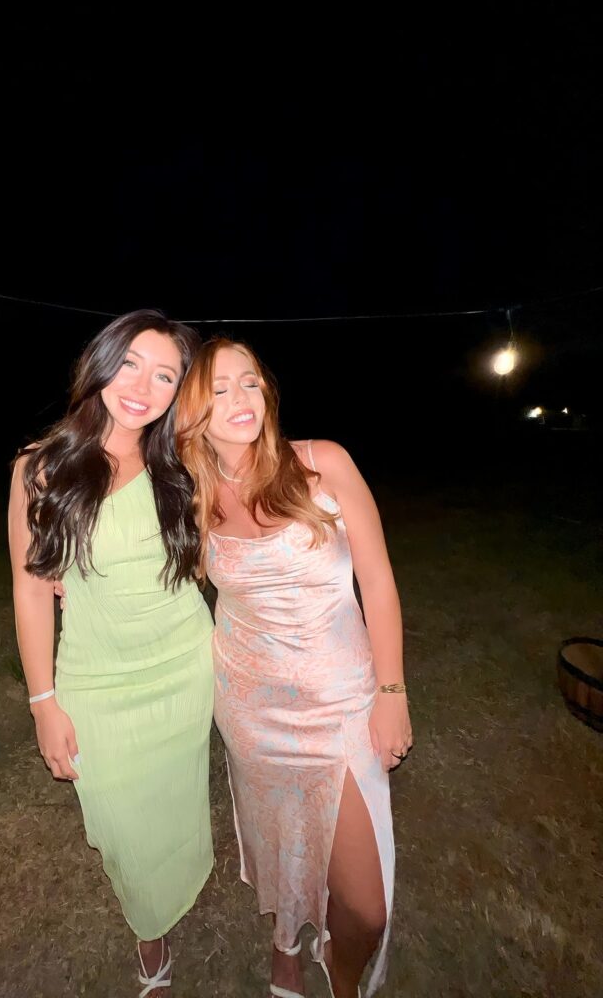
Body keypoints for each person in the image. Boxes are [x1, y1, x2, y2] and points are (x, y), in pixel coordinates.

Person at [175, 338, 412, 998]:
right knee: (280, 835)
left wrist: (392, 690)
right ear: (192, 413)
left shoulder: (321, 462)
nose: (241, 399)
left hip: (341, 702)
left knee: (367, 907)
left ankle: (340, 968)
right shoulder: (190, 497)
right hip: (250, 706)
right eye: (219, 389)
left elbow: (378, 581)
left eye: (250, 382)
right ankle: (284, 941)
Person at [8, 311, 215, 998]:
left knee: (177, 803)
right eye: (130, 364)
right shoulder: (41, 468)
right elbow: (31, 589)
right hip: (96, 680)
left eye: (165, 376)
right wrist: (43, 704)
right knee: (120, 824)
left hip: (185, 666)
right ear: (100, 363)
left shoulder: (183, 461)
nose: (142, 387)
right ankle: (149, 929)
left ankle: (178, 887)